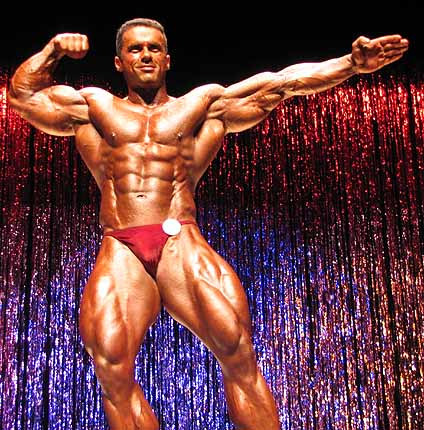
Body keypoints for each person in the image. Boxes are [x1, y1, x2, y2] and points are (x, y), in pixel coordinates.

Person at [7, 17, 409, 430]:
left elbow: (282, 83)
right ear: (118, 62)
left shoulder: (202, 105)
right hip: (121, 244)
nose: (145, 55)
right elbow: (22, 96)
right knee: (111, 363)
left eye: (154, 48)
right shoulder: (92, 108)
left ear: (167, 59)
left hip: (179, 237)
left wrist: (350, 64)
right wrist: (53, 51)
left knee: (235, 347)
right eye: (135, 49)